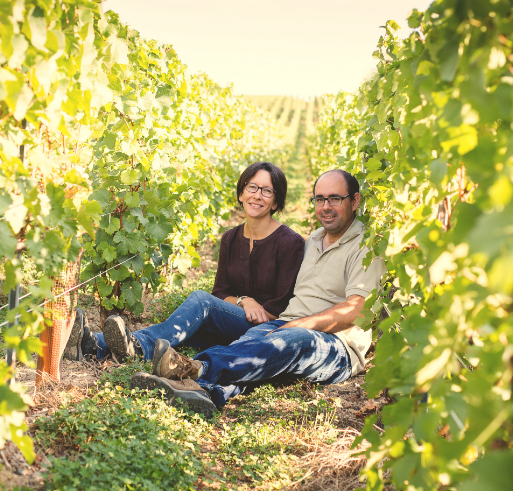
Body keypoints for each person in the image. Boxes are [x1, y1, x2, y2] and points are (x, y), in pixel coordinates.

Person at [130, 169, 385, 418]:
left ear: (355, 201)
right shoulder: (314, 240)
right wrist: (258, 309)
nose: (326, 206)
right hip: (284, 324)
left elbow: (359, 308)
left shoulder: (366, 246)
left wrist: (299, 325)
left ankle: (196, 368)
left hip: (336, 345)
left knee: (289, 341)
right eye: (320, 199)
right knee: (249, 347)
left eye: (335, 199)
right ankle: (206, 392)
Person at [65, 162, 305, 363]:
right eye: (252, 187)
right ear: (241, 193)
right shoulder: (231, 238)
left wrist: (249, 307)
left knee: (201, 302)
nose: (257, 195)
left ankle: (138, 348)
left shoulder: (290, 242)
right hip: (229, 323)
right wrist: (244, 300)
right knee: (181, 330)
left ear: (276, 202)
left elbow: (280, 308)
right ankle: (95, 345)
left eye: (267, 191)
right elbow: (221, 292)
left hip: (263, 330)